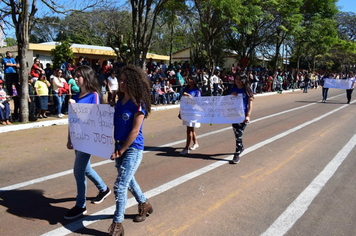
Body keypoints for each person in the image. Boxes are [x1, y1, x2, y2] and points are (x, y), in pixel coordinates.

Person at [108, 65, 152, 236]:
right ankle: (144, 204)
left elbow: (134, 131)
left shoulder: (138, 104)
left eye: (125, 80)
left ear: (133, 83)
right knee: (128, 181)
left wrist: (121, 150)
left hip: (132, 148)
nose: (121, 83)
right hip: (119, 145)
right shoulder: (119, 103)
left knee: (120, 186)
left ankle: (117, 224)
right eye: (121, 80)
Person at [65, 65, 111, 220]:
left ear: (86, 77)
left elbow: (94, 118)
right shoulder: (76, 96)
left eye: (79, 76)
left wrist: (76, 107)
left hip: (88, 139)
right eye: (75, 75)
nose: (75, 78)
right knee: (86, 168)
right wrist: (69, 138)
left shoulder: (94, 95)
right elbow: (72, 120)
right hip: (77, 138)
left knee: (78, 171)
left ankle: (80, 205)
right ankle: (103, 189)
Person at [229, 72, 254, 164]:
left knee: (239, 133)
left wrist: (248, 116)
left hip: (243, 115)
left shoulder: (247, 90)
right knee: (237, 134)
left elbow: (250, 104)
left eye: (240, 79)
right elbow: (226, 101)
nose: (238, 81)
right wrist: (231, 96)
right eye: (236, 79)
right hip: (234, 115)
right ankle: (241, 147)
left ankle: (236, 154)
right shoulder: (233, 90)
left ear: (244, 80)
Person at [179, 75, 201, 155]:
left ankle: (186, 148)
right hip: (186, 112)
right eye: (188, 78)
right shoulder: (186, 89)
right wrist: (180, 112)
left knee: (189, 130)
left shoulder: (197, 90)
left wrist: (189, 96)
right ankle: (195, 143)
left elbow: (198, 102)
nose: (188, 80)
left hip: (193, 113)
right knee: (191, 129)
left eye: (191, 78)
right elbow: (183, 102)